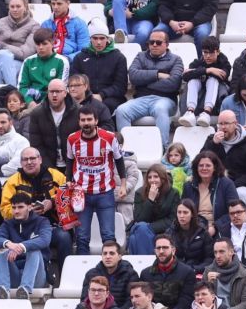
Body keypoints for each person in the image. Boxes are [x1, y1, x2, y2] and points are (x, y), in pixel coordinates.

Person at [67, 105, 127, 255]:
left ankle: (111, 274)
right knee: (81, 237)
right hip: (81, 193)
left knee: (108, 236)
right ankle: (83, 274)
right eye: (83, 120)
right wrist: (69, 181)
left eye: (89, 119)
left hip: (105, 192)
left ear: (96, 121)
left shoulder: (109, 137)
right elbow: (69, 161)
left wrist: (123, 185)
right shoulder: (72, 139)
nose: (86, 123)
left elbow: (119, 161)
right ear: (79, 122)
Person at [114, 30, 183, 148]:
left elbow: (173, 84)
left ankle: (163, 149)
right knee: (121, 111)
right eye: (151, 42)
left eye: (158, 42)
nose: (154, 45)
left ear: (167, 44)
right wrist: (157, 75)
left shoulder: (176, 59)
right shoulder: (141, 56)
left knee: (160, 108)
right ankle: (127, 149)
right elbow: (133, 76)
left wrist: (145, 82)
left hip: (165, 99)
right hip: (141, 99)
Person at [0, 192, 51, 299]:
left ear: (30, 207)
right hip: (14, 274)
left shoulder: (42, 221)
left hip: (36, 276)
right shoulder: (8, 224)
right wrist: (9, 244)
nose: (16, 211)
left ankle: (25, 289)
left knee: (34, 249)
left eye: (20, 207)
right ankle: (3, 289)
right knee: (0, 249)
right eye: (14, 207)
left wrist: (21, 247)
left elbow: (45, 240)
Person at [199, 112, 246, 207]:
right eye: (220, 124)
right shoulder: (211, 139)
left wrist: (232, 185)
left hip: (238, 184)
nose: (223, 127)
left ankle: (244, 220)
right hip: (213, 181)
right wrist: (213, 143)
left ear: (235, 124)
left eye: (226, 123)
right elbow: (200, 161)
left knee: (242, 194)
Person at [69, 21, 128, 113]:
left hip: (110, 98)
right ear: (90, 39)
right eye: (95, 38)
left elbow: (120, 87)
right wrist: (88, 95)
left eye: (102, 38)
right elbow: (74, 82)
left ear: (107, 39)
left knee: (103, 106)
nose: (99, 42)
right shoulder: (80, 57)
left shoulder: (118, 57)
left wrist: (102, 95)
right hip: (84, 96)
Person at [0, 0, 38, 86]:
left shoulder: (34, 26)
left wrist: (3, 47)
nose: (15, 9)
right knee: (3, 56)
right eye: (12, 7)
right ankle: (14, 92)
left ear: (25, 7)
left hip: (20, 62)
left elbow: (25, 53)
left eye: (18, 6)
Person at [177, 36, 231, 129]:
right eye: (205, 52)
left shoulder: (224, 62)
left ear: (218, 52)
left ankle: (207, 113)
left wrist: (198, 71)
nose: (208, 56)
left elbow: (222, 76)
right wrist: (208, 70)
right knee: (193, 80)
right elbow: (186, 76)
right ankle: (190, 111)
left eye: (211, 53)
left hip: (216, 99)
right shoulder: (199, 61)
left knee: (212, 80)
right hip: (199, 96)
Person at [140, 233, 196, 309]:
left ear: (173, 250)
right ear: (155, 251)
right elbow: (143, 301)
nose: (161, 251)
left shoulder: (187, 272)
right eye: (158, 248)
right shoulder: (145, 274)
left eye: (165, 247)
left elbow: (185, 303)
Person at [127, 164, 180, 255]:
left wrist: (149, 228)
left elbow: (172, 219)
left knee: (133, 239)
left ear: (163, 178)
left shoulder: (173, 193)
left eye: (156, 177)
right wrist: (150, 200)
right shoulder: (139, 193)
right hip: (142, 227)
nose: (152, 180)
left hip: (162, 230)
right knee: (141, 228)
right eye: (149, 177)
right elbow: (139, 219)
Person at [28, 78, 78, 172]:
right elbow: (36, 145)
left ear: (65, 93)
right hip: (48, 165)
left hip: (75, 165)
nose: (54, 95)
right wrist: (50, 169)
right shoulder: (37, 114)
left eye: (58, 91)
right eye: (51, 92)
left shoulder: (78, 112)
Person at [181, 151, 240, 228]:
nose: (204, 168)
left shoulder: (226, 184)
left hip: (220, 226)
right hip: (194, 226)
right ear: (196, 168)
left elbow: (234, 210)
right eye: (201, 165)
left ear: (215, 168)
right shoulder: (189, 185)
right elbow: (183, 209)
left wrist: (215, 227)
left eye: (208, 165)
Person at [19, 28, 70, 107]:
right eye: (38, 44)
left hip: (53, 103)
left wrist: (42, 104)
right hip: (30, 104)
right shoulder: (28, 61)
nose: (41, 47)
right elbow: (22, 87)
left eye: (44, 44)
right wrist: (30, 103)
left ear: (53, 43)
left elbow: (61, 87)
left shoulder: (62, 61)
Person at [81, 240, 139, 308]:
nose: (108, 256)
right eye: (105, 253)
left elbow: (131, 301)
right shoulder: (91, 274)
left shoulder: (130, 274)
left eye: (112, 253)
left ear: (119, 257)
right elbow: (85, 300)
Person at [167, 199, 213, 276]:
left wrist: (195, 269)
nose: (181, 216)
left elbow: (209, 259)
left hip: (197, 272)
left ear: (192, 214)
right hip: (175, 272)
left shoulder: (203, 233)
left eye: (185, 212)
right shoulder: (170, 232)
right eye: (179, 212)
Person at [217, 200, 246, 274]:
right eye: (232, 213)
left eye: (238, 212)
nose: (235, 215)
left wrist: (243, 271)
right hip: (228, 270)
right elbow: (218, 254)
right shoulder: (223, 231)